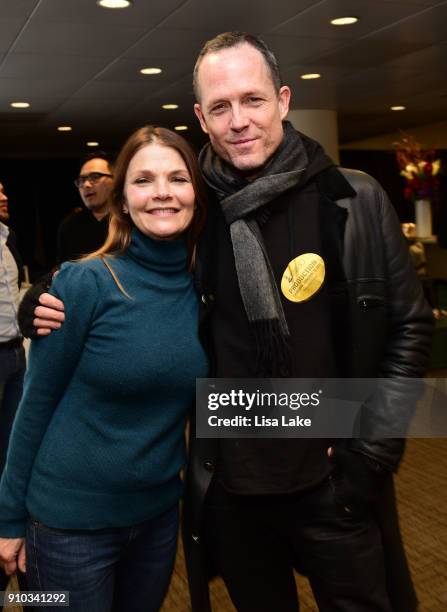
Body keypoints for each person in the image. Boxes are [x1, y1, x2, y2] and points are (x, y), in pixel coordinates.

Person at [20, 33, 434, 612]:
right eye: (220, 107)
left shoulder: (353, 200)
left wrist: (371, 453)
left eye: (253, 100)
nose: (239, 121)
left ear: (284, 101)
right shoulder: (195, 212)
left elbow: (410, 329)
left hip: (336, 484)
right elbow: (129, 272)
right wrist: (39, 298)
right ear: (201, 118)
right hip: (232, 493)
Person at [0, 126, 208, 612]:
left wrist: (343, 420)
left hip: (157, 519)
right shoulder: (85, 281)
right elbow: (36, 405)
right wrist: (8, 519)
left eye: (177, 178)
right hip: (68, 525)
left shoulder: (206, 289)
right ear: (122, 200)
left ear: (197, 193)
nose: (161, 192)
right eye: (143, 180)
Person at [0, 181, 28, 601]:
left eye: (6, 189)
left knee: (12, 446)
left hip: (12, 353)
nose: (5, 195)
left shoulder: (6, 241)